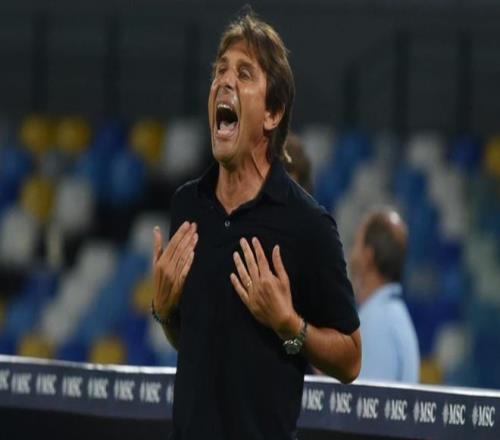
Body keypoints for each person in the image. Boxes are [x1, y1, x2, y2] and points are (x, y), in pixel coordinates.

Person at [151, 11, 361, 440]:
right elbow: (190, 342)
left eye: (244, 74)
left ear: (272, 113)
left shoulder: (308, 225)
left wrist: (290, 325)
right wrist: (165, 311)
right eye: (220, 71)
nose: (224, 82)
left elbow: (351, 360)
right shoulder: (187, 205)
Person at [349, 208, 420, 383]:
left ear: (368, 257)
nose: (351, 255)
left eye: (356, 244)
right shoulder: (393, 315)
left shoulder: (377, 322)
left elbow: (365, 398)